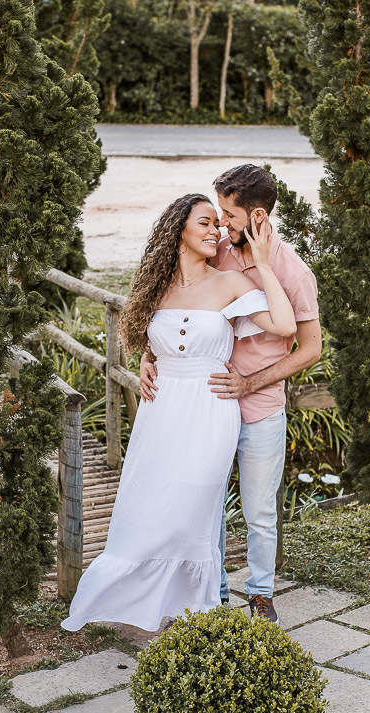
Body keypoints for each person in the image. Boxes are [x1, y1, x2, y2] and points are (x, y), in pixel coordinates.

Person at [61, 193, 297, 633]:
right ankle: (154, 597)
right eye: (204, 223)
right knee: (153, 502)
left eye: (216, 224)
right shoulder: (156, 286)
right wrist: (148, 360)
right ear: (179, 231)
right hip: (161, 408)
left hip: (210, 408)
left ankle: (201, 600)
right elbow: (156, 339)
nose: (215, 231)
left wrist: (263, 262)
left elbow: (285, 326)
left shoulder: (229, 283)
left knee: (196, 502)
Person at [140, 165, 322, 623]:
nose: (221, 223)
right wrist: (150, 354)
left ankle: (260, 593)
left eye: (227, 212)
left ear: (256, 215)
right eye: (216, 213)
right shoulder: (216, 251)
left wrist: (250, 383)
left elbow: (311, 349)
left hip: (259, 409)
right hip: (205, 409)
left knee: (259, 511)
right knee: (207, 505)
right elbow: (176, 306)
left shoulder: (293, 273)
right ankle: (214, 593)